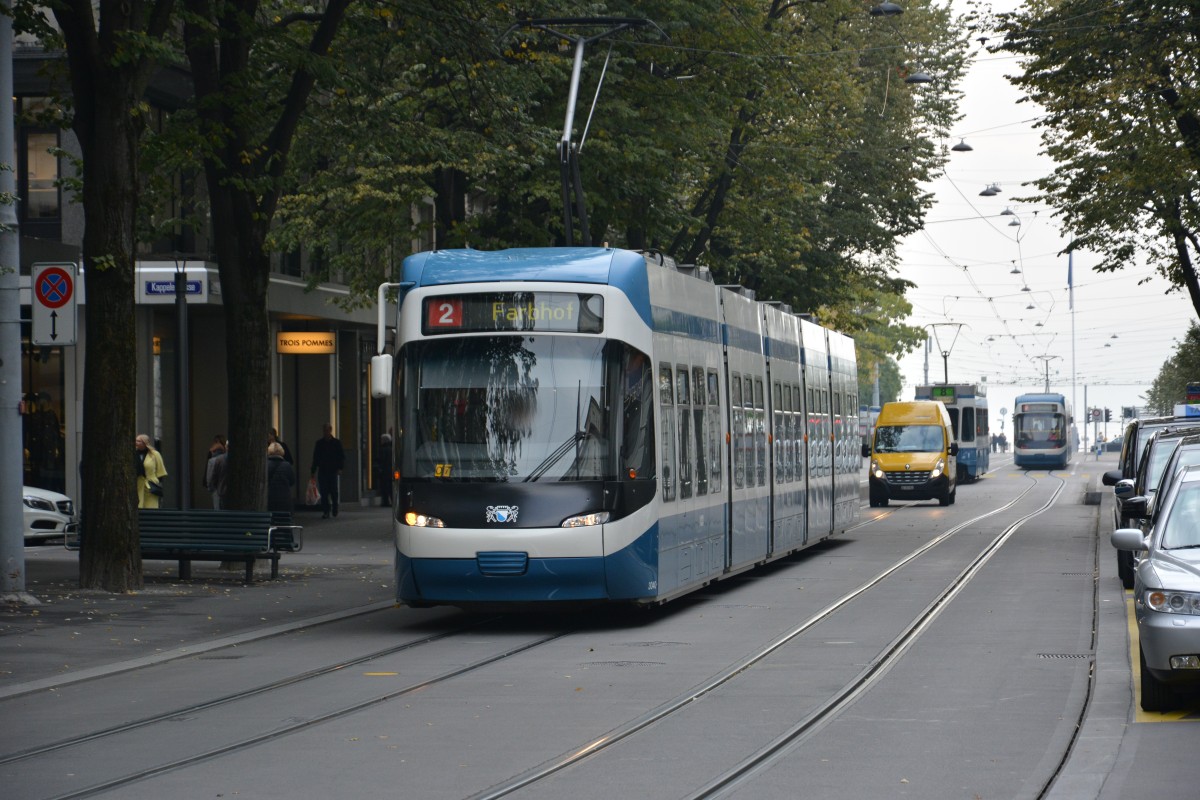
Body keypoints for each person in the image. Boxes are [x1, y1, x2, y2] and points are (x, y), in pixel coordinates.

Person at [311, 423, 345, 518]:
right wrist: (313, 470)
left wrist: (340, 468)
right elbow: (316, 457)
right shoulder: (319, 443)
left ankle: (335, 508)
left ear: (330, 430)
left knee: (334, 491)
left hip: (333, 470)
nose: (325, 432)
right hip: (323, 470)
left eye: (327, 430)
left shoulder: (336, 443)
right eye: (324, 430)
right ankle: (326, 511)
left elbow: (341, 456)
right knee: (324, 492)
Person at [135, 433, 168, 509]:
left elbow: (161, 471)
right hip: (138, 485)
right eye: (136, 440)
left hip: (151, 486)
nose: (136, 442)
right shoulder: (133, 453)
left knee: (151, 507)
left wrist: (157, 484)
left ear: (145, 443)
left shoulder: (155, 454)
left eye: (139, 441)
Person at [266, 442, 296, 514]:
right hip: (285, 498)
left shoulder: (266, 465)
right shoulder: (287, 465)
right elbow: (292, 481)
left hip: (269, 497)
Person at [204, 438, 227, 509]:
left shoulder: (213, 460)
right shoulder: (224, 458)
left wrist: (211, 488)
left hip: (217, 490)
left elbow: (210, 478)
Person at [376, 432, 394, 507]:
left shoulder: (382, 449)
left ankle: (385, 502)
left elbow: (381, 460)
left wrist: (379, 468)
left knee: (384, 487)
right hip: (391, 471)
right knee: (390, 487)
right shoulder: (392, 449)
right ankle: (393, 501)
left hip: (385, 471)